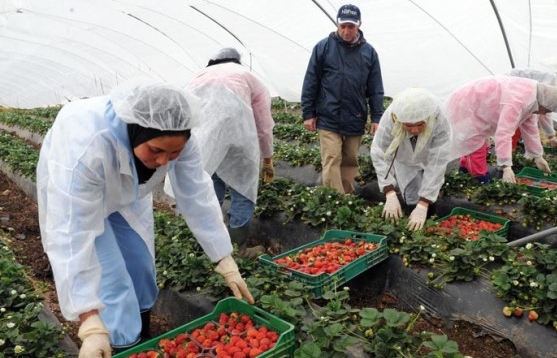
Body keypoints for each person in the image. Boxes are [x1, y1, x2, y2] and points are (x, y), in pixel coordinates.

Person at [36, 80, 254, 357]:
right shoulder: (86, 146)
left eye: (173, 153)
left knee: (140, 265)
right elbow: (71, 234)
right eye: (156, 150)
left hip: (128, 195)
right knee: (113, 280)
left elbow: (196, 193)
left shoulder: (180, 140)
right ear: (136, 133)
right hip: (80, 197)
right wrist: (89, 321)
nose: (165, 161)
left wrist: (224, 257)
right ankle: (123, 345)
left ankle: (142, 335)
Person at [166, 47, 275, 258]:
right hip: (240, 139)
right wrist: (268, 158)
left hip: (207, 140)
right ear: (237, 61)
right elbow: (263, 124)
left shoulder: (197, 77)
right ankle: (238, 248)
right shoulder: (248, 77)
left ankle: (209, 246)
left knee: (209, 188)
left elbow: (182, 113)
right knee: (242, 190)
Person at [301, 3, 385, 194]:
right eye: (343, 26)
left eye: (351, 27)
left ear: (359, 25)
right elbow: (311, 81)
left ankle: (346, 199)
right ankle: (335, 202)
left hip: (355, 115)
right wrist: (308, 113)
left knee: (350, 160)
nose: (346, 31)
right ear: (337, 25)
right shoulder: (323, 47)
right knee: (331, 158)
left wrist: (377, 117)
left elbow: (375, 88)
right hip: (328, 114)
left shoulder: (369, 53)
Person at [444, 76, 557, 184]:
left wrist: (537, 155)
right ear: (544, 104)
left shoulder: (533, 99)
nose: (544, 114)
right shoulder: (518, 102)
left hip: (480, 106)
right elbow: (504, 133)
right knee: (475, 145)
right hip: (467, 105)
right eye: (547, 111)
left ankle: (464, 171)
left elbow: (530, 128)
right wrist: (506, 166)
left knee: (480, 145)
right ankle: (479, 179)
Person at [370, 88, 451, 231]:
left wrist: (424, 203)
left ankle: (428, 219)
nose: (414, 130)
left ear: (428, 118)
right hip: (404, 158)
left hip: (429, 154)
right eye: (408, 125)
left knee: (429, 194)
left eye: (420, 124)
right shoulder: (391, 117)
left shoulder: (439, 118)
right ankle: (414, 226)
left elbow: (437, 162)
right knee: (412, 192)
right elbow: (380, 152)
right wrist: (389, 191)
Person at [508, 68, 557, 150]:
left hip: (516, 98)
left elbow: (544, 112)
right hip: (510, 91)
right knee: (513, 127)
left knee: (519, 125)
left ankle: (509, 152)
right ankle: (507, 154)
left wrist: (551, 136)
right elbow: (542, 112)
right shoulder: (551, 83)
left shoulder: (552, 86)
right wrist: (549, 137)